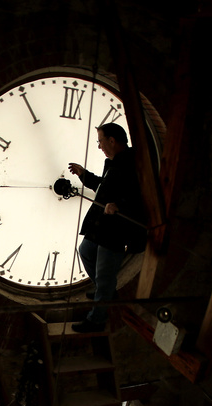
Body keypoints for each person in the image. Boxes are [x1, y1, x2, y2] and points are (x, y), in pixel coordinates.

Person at [67, 122, 145, 333]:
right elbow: (105, 186)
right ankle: (105, 290)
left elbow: (144, 196)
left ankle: (97, 319)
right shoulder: (114, 162)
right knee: (85, 251)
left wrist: (121, 206)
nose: (99, 146)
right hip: (103, 225)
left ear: (112, 140)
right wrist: (84, 175)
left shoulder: (133, 163)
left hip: (118, 229)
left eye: (100, 141)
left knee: (105, 274)